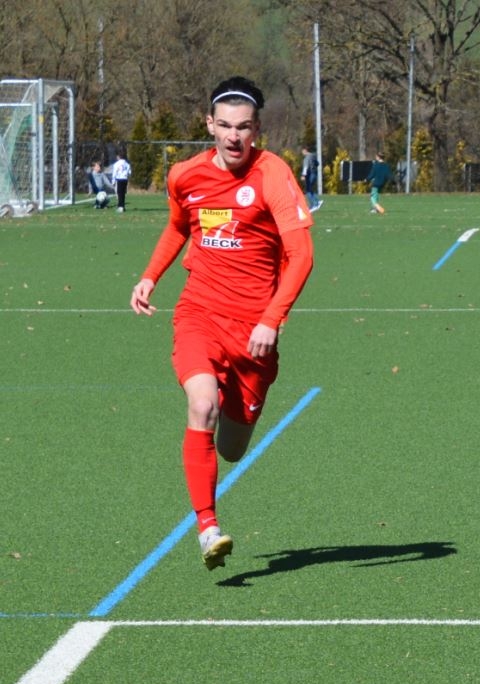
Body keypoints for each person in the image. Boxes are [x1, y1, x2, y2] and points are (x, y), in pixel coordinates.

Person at [129, 76, 315, 571]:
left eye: (244, 127)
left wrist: (272, 319)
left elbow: (301, 255)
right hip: (199, 314)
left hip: (254, 335)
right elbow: (178, 227)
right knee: (202, 405)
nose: (234, 137)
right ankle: (208, 528)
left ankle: (241, 412)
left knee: (232, 448)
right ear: (209, 124)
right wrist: (150, 276)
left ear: (258, 129)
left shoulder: (273, 174)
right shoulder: (184, 176)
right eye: (226, 126)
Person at [300, 146, 322, 212]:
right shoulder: (313, 156)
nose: (302, 153)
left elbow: (305, 167)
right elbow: (317, 163)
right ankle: (316, 202)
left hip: (309, 174)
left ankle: (315, 204)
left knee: (308, 191)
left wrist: (303, 175)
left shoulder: (306, 158)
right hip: (314, 174)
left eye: (302, 152)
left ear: (305, 151)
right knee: (310, 189)